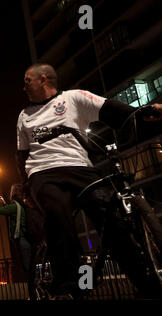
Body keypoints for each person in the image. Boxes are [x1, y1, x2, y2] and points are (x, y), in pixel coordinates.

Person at [16, 63, 162, 299]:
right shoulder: (24, 116)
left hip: (80, 167)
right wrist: (24, 185)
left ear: (43, 79)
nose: (24, 87)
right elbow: (21, 154)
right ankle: (67, 283)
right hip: (43, 172)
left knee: (113, 219)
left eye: (27, 80)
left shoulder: (73, 98)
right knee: (57, 212)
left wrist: (147, 110)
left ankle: (144, 282)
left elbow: (111, 109)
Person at [0, 184, 46, 300]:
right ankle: (34, 293)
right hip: (28, 239)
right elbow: (15, 214)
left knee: (27, 269)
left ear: (13, 193)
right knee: (29, 268)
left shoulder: (15, 206)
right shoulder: (22, 204)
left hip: (21, 239)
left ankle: (34, 295)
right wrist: (5, 203)